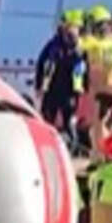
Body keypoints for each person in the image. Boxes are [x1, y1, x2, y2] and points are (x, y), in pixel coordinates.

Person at [79, 5, 112, 157]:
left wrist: (84, 31)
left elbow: (81, 45)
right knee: (98, 125)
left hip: (104, 88)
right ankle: (104, 152)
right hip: (108, 88)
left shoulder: (97, 44)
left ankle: (102, 154)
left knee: (98, 125)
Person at [36, 10, 84, 144]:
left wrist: (81, 89)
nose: (72, 31)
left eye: (74, 28)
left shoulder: (79, 48)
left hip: (69, 92)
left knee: (68, 123)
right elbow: (41, 63)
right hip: (52, 90)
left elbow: (83, 70)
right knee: (47, 120)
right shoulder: (54, 44)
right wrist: (39, 85)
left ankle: (71, 150)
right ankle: (45, 144)